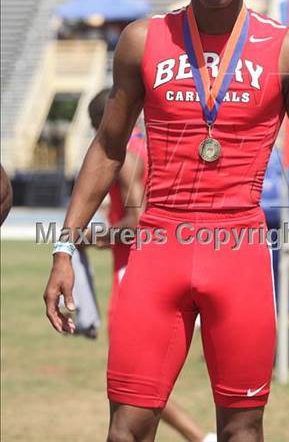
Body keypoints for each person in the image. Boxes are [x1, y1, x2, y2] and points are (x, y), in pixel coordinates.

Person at [44, 0, 289, 442]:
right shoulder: (143, 41)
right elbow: (106, 148)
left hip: (239, 248)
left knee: (243, 429)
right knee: (125, 427)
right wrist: (64, 249)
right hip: (158, 247)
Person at [87, 89, 216, 442]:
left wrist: (94, 237)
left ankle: (200, 439)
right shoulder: (154, 147)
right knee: (143, 378)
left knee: (133, 380)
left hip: (134, 271)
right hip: (167, 261)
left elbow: (137, 223)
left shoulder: (125, 158)